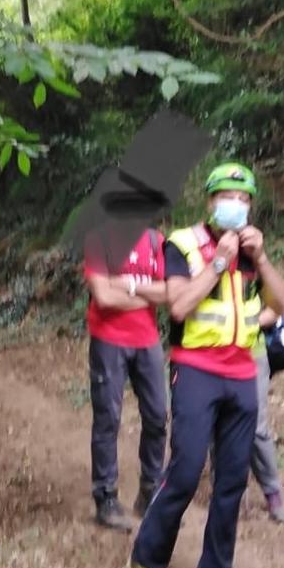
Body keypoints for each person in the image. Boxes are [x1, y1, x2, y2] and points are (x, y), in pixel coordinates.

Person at [122, 163, 284, 568]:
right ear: (210, 202)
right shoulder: (183, 244)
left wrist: (263, 259)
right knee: (185, 470)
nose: (235, 205)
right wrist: (219, 259)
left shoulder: (252, 254)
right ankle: (144, 561)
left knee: (233, 479)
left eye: (243, 198)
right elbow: (178, 305)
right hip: (196, 371)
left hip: (242, 374)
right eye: (227, 196)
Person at [83, 225, 168, 531]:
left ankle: (151, 490)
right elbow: (103, 296)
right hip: (109, 339)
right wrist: (146, 293)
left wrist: (126, 285)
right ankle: (105, 497)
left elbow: (169, 292)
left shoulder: (156, 240)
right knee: (108, 419)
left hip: (147, 340)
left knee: (158, 416)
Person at [209, 307, 284, 522]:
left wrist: (241, 325)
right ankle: (224, 491)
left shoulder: (256, 272)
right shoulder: (205, 271)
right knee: (218, 420)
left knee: (256, 425)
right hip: (212, 352)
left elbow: (276, 309)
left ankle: (272, 491)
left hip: (251, 353)